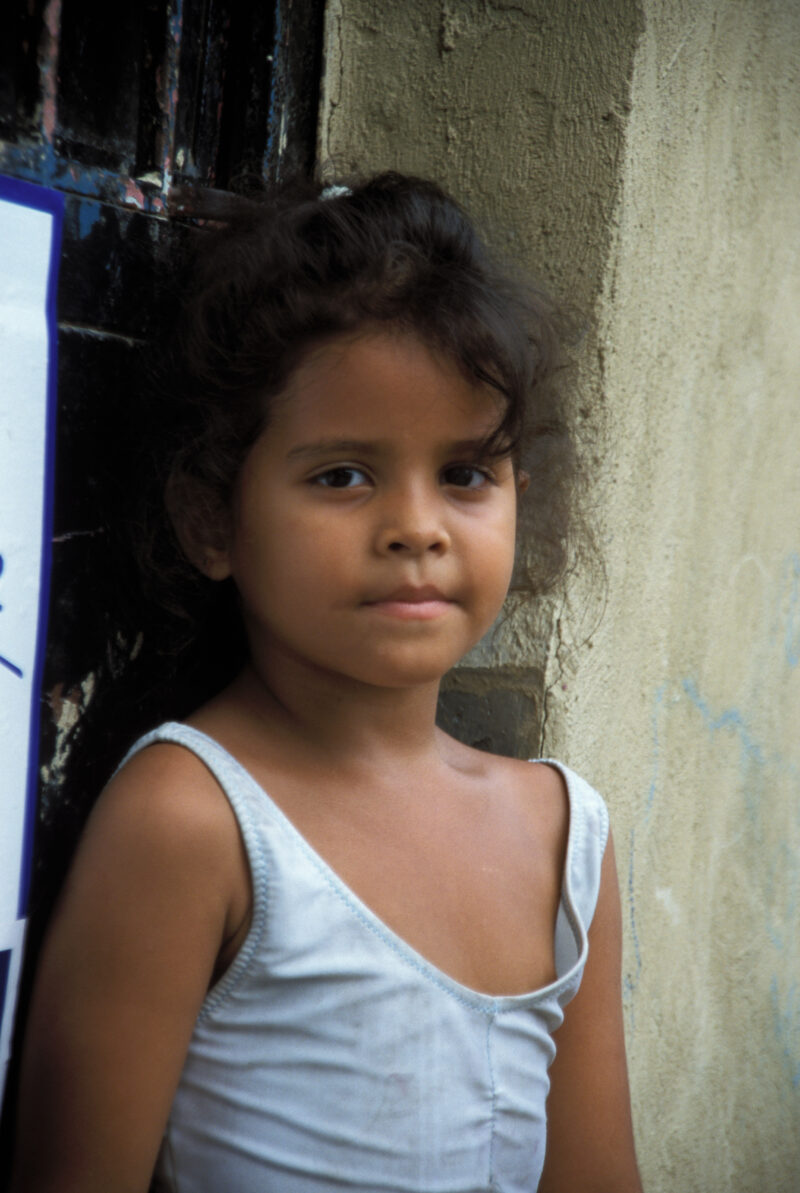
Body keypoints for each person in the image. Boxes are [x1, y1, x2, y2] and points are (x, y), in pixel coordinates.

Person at [10, 172, 642, 1192]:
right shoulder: (193, 819)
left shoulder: (566, 837)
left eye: (465, 472)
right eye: (342, 474)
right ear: (212, 519)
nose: (416, 525)